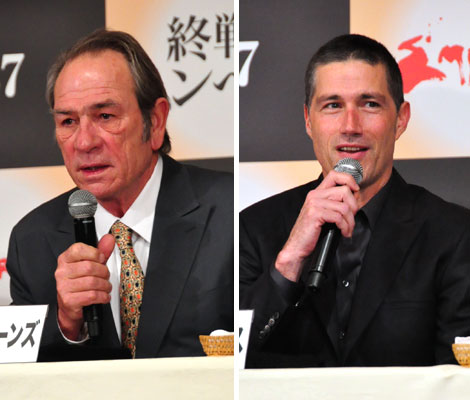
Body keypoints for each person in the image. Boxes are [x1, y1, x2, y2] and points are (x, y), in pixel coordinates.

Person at [240, 34, 470, 368]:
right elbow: (231, 366)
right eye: (332, 105)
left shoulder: (454, 234)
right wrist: (288, 263)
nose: (351, 126)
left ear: (401, 118)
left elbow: (460, 375)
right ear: (308, 120)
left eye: (370, 104)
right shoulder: (254, 228)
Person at [7, 29, 233, 361]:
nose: (84, 142)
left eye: (105, 116)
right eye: (68, 121)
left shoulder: (229, 212)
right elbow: (18, 374)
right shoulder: (31, 241)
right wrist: (66, 323)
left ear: (155, 121)